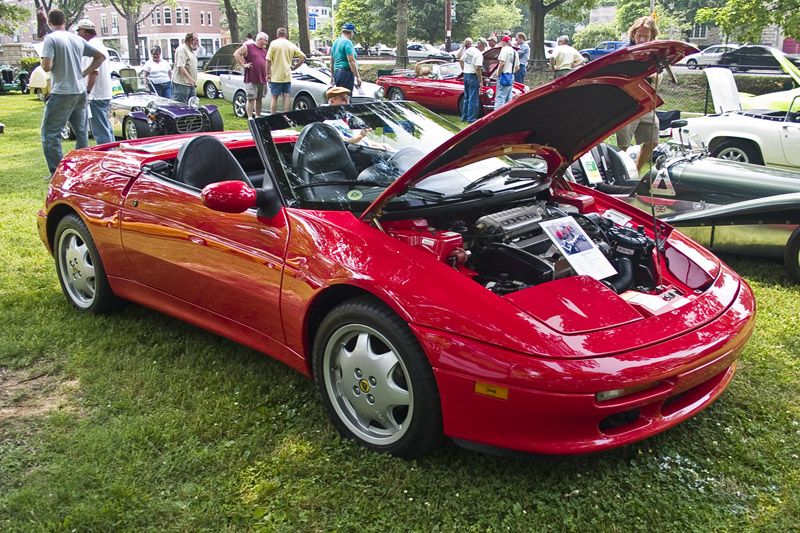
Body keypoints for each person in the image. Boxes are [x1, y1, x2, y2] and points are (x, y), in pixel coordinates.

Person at [40, 8, 104, 177]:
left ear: (49, 22)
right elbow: (100, 56)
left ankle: (58, 173)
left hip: (62, 91)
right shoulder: (76, 39)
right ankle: (83, 169)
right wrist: (84, 72)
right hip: (80, 91)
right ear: (65, 22)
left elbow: (46, 66)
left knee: (50, 133)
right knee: (81, 132)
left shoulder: (51, 39)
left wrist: (49, 64)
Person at [616, 16, 661, 173]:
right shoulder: (623, 52)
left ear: (652, 37)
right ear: (633, 34)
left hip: (646, 103)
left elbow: (658, 76)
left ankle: (634, 171)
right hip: (628, 104)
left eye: (645, 36)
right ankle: (620, 173)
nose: (641, 39)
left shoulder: (654, 53)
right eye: (639, 35)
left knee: (652, 141)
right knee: (623, 145)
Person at [76, 19, 114, 145]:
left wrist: (87, 92)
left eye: (78, 31)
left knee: (101, 131)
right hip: (104, 93)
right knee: (106, 128)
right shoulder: (100, 45)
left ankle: (107, 157)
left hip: (96, 95)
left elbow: (94, 72)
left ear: (83, 31)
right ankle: (112, 154)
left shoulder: (91, 47)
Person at [325, 86, 389, 150]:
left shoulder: (350, 118)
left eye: (348, 98)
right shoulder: (329, 124)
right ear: (332, 102)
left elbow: (364, 141)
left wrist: (378, 145)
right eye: (343, 99)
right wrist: (360, 136)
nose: (347, 101)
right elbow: (343, 145)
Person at [265, 28, 305, 114]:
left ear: (277, 34)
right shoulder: (291, 45)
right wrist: (295, 67)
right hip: (287, 75)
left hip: (276, 75)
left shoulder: (273, 44)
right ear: (286, 35)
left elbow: (268, 60)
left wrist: (267, 73)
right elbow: (303, 57)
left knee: (274, 97)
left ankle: (273, 116)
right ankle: (286, 116)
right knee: (286, 97)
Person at [234, 32, 268, 117]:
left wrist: (268, 74)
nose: (266, 43)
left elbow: (268, 63)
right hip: (251, 78)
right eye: (265, 41)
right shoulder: (249, 47)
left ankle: (258, 116)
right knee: (251, 98)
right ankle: (250, 117)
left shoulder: (265, 51)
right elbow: (236, 54)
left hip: (262, 78)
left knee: (259, 98)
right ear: (260, 39)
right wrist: (243, 64)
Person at [460, 37, 486, 123]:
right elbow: (478, 68)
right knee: (473, 99)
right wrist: (480, 80)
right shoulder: (479, 54)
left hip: (466, 75)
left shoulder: (470, 50)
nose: (485, 48)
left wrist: (464, 70)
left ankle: (464, 117)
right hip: (473, 76)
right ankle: (471, 119)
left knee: (466, 98)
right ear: (482, 45)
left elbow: (461, 60)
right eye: (485, 46)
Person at [330, 23, 362, 92]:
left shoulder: (335, 42)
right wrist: (357, 76)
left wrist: (332, 76)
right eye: (353, 33)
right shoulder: (347, 42)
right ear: (350, 32)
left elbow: (331, 61)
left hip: (337, 74)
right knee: (346, 98)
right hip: (346, 74)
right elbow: (351, 60)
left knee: (340, 97)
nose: (353, 35)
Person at [171, 33, 199, 103]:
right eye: (196, 41)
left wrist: (192, 81)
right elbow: (181, 66)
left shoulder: (191, 51)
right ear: (190, 40)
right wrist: (189, 79)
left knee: (193, 105)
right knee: (181, 107)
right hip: (182, 84)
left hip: (191, 84)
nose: (198, 43)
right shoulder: (181, 49)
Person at [493, 35, 518, 109]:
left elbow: (502, 63)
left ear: (504, 42)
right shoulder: (514, 52)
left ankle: (497, 116)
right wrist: (511, 73)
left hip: (503, 76)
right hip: (511, 76)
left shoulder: (504, 50)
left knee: (500, 98)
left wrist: (498, 74)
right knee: (508, 99)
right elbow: (517, 67)